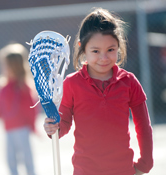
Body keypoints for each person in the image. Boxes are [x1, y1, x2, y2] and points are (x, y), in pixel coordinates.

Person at [43, 8, 153, 175]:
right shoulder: (71, 83)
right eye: (95, 51)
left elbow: (143, 126)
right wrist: (54, 128)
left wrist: (145, 164)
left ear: (119, 46)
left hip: (123, 171)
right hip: (85, 171)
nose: (104, 57)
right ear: (82, 48)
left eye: (111, 49)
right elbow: (63, 124)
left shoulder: (129, 82)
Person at [0, 43, 38, 175]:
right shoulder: (2, 88)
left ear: (14, 66)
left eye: (6, 65)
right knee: (11, 161)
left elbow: (31, 109)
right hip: (9, 131)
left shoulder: (24, 87)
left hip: (23, 130)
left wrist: (33, 126)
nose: (3, 68)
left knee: (27, 161)